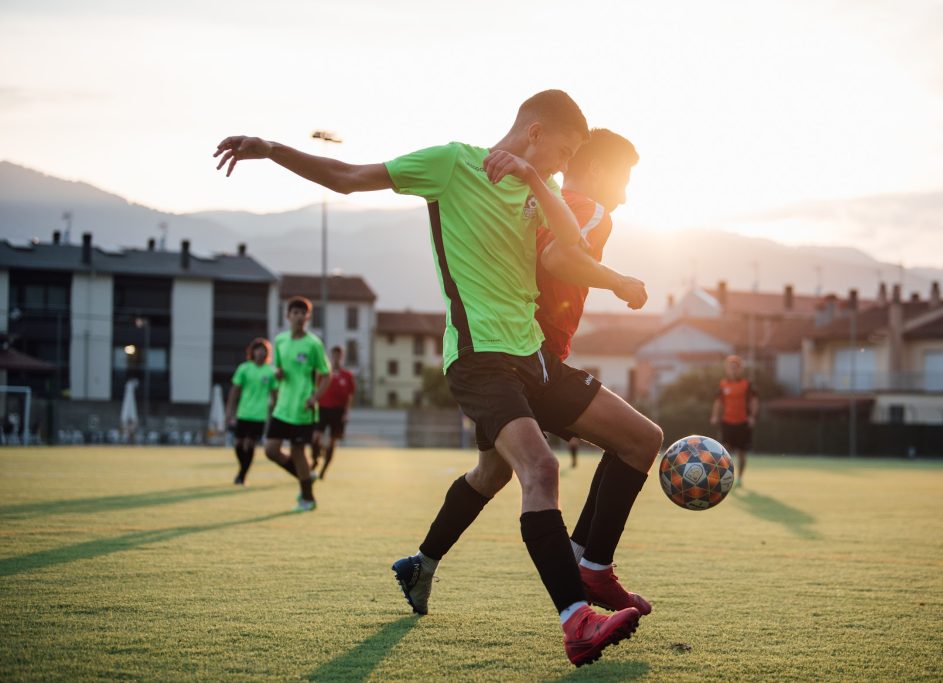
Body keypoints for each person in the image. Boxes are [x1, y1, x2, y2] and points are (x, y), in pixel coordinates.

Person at [214, 90, 646, 667]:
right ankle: (576, 622)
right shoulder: (451, 164)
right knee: (537, 469)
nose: (567, 166)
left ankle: (438, 565)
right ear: (537, 131)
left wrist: (535, 180)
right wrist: (271, 150)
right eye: (563, 151)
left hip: (534, 357)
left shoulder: (535, 189)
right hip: (479, 358)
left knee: (633, 439)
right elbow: (348, 176)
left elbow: (568, 245)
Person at [391, 129, 662, 629]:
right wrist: (620, 280)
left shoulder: (533, 198)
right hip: (527, 360)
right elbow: (557, 258)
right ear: (599, 171)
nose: (624, 194)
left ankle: (421, 564)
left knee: (491, 474)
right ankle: (590, 569)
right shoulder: (591, 210)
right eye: (624, 179)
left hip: (504, 353)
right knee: (635, 441)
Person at [265, 296, 330, 511]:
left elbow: (326, 374)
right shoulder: (280, 341)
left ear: (308, 317)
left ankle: (308, 498)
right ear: (288, 316)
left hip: (303, 409)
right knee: (271, 450)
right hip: (283, 407)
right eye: (295, 312)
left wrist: (314, 398)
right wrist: (278, 374)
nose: (300, 316)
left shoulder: (313, 344)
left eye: (304, 313)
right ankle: (306, 476)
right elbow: (277, 370)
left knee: (298, 451)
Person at [225, 337, 277, 485]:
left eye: (264, 350)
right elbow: (234, 391)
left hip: (259, 415)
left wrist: (275, 414)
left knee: (250, 444)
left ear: (267, 354)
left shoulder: (270, 372)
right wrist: (229, 411)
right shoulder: (244, 369)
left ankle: (242, 475)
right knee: (238, 444)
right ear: (252, 351)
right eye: (258, 349)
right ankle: (242, 470)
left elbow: (275, 396)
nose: (260, 353)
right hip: (243, 412)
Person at [710, 355, 759, 487]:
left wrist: (752, 417)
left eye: (736, 368)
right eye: (731, 368)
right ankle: (724, 477)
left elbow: (754, 401)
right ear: (727, 369)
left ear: (740, 369)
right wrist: (715, 416)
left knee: (742, 453)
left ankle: (740, 478)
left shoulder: (746, 385)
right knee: (724, 451)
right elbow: (718, 402)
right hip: (727, 422)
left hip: (743, 423)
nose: (733, 370)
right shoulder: (722, 384)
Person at [311, 345, 356, 480]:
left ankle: (324, 470)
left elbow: (349, 395)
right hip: (322, 409)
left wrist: (346, 412)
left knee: (332, 441)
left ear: (341, 357)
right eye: (334, 355)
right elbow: (315, 389)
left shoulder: (347, 375)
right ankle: (315, 460)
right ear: (330, 357)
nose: (336, 358)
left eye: (339, 356)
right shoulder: (323, 373)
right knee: (315, 437)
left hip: (338, 411)